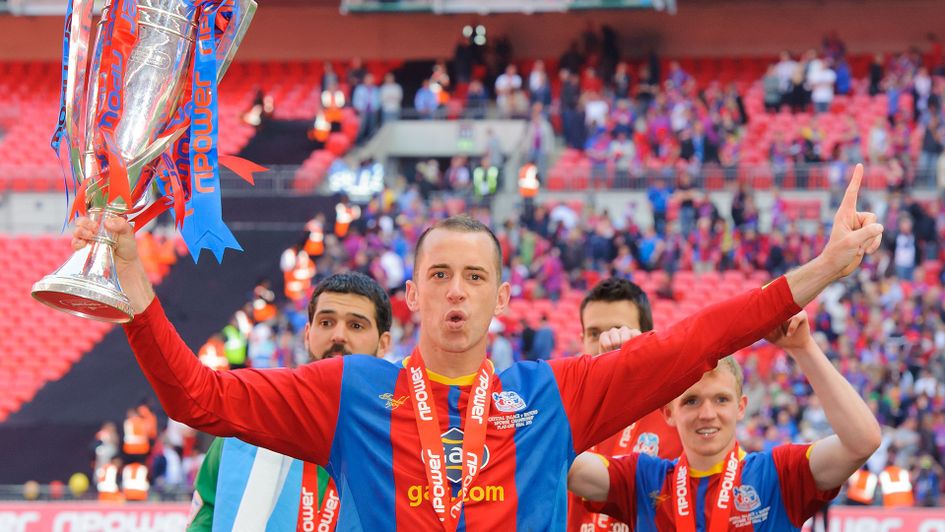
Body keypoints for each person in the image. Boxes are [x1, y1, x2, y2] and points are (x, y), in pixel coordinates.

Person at [71, 166, 883, 529]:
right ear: (412, 295)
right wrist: (136, 284)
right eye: (439, 276)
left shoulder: (553, 393)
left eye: (473, 277)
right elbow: (196, 399)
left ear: (501, 299)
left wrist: (818, 270)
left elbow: (692, 342)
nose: (456, 291)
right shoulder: (348, 391)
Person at [568, 309, 882, 530]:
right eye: (691, 401)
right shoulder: (642, 480)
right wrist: (606, 379)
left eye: (721, 399)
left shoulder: (778, 474)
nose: (707, 413)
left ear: (741, 406)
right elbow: (562, 463)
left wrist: (803, 348)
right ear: (668, 413)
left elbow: (862, 442)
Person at [188, 272, 393, 531]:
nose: (338, 335)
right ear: (307, 334)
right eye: (326, 322)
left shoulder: (400, 436)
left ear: (383, 344)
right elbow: (205, 515)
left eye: (356, 325)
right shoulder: (244, 424)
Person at [567, 278, 683, 532]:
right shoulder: (562, 412)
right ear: (582, 338)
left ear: (649, 336)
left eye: (619, 330)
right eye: (594, 333)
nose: (606, 342)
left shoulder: (680, 409)